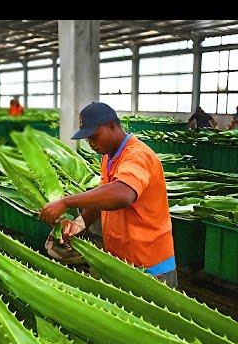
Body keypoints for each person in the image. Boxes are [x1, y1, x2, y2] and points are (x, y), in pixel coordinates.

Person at [39, 102, 177, 288]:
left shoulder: (137, 155)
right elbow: (103, 198)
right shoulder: (109, 157)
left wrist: (66, 202)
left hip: (149, 266)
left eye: (94, 137)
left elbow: (123, 194)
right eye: (88, 140)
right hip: (121, 261)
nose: (91, 144)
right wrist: (80, 223)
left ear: (112, 126)